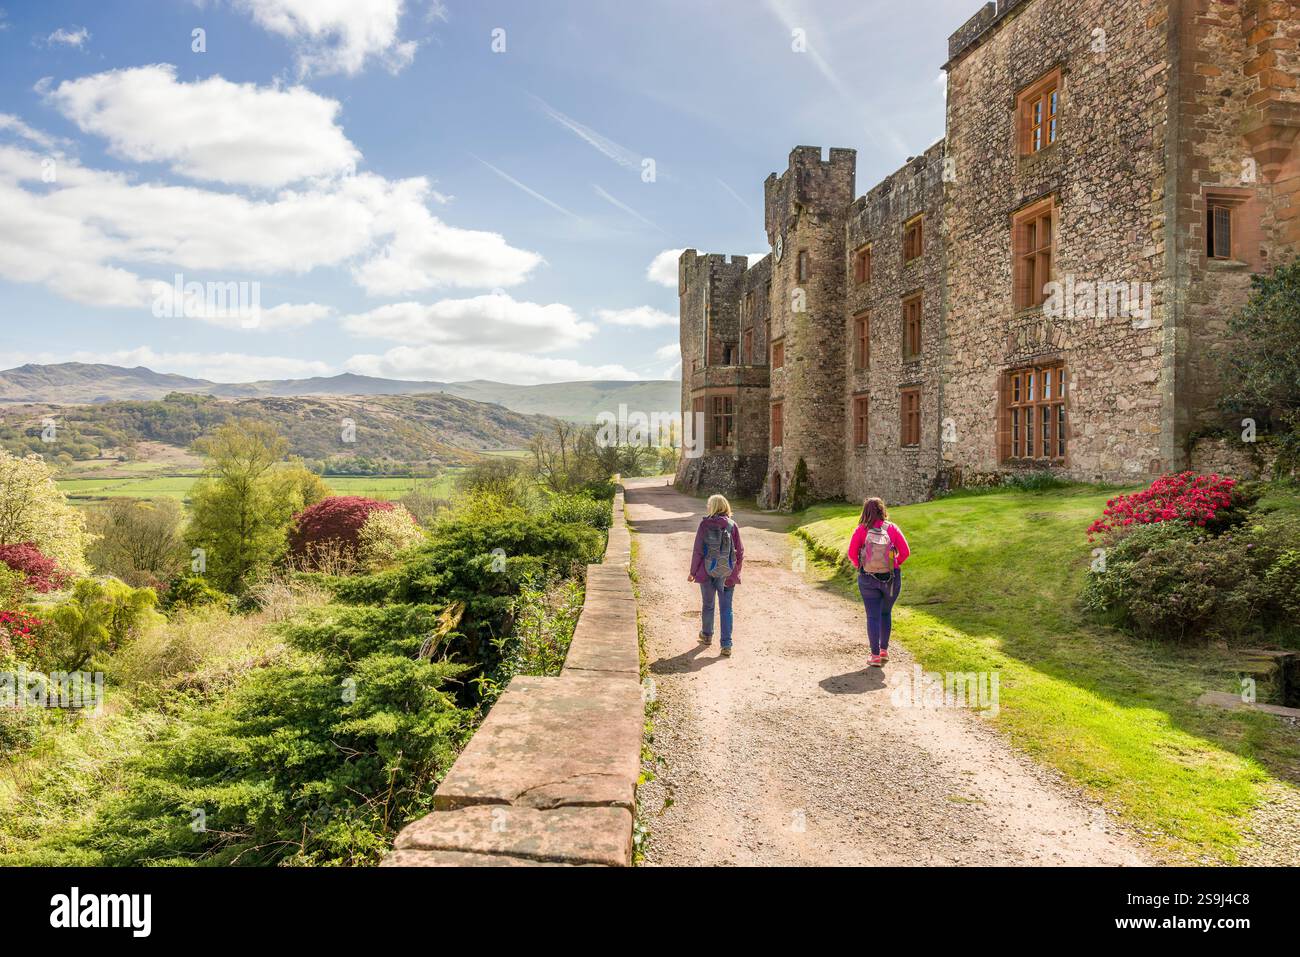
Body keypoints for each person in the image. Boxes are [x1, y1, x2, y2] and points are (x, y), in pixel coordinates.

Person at [846, 497, 910, 668]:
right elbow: (905, 552)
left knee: (873, 616)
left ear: (865, 511)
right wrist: (894, 565)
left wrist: (861, 565)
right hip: (891, 578)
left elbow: (852, 553)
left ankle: (874, 656)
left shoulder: (861, 530)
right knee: (885, 613)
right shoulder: (892, 528)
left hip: (867, 578)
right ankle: (884, 651)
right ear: (882, 510)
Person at [688, 494, 744, 657]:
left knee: (708, 605)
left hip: (706, 572)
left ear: (712, 507)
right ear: (725, 506)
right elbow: (740, 552)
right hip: (727, 573)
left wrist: (692, 572)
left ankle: (707, 635)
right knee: (726, 608)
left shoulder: (704, 525)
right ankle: (726, 645)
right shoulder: (732, 526)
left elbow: (698, 550)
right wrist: (735, 570)